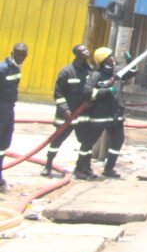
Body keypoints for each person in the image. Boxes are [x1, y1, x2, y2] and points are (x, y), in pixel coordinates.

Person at [76, 48, 135, 180]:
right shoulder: (96, 75)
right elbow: (88, 92)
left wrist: (129, 59)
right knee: (88, 142)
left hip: (115, 114)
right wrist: (107, 90)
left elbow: (133, 71)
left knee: (118, 141)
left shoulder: (117, 72)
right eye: (110, 56)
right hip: (100, 114)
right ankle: (81, 168)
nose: (113, 58)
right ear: (103, 60)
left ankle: (109, 168)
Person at [42, 44, 92, 177]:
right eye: (83, 50)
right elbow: (58, 94)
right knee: (56, 141)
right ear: (76, 54)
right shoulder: (67, 71)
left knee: (86, 142)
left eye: (87, 49)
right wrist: (65, 110)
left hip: (83, 115)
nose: (87, 51)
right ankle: (48, 165)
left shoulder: (90, 71)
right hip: (67, 116)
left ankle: (83, 168)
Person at [0, 43, 28, 191]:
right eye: (19, 54)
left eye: (24, 54)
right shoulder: (3, 69)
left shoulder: (16, 68)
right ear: (12, 53)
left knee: (4, 143)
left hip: (9, 108)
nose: (21, 57)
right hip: (1, 108)